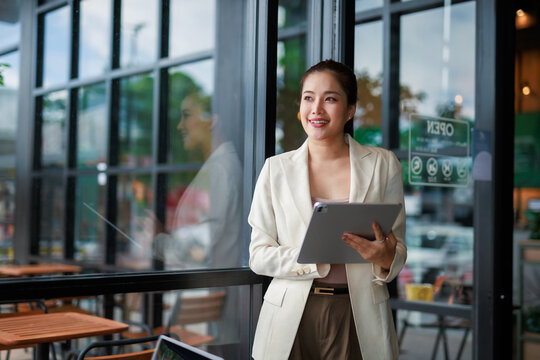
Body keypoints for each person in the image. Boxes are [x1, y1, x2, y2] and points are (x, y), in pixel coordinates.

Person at [248, 59, 406, 360]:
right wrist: (312, 256)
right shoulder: (275, 169)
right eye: (309, 98)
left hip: (357, 315)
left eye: (330, 98)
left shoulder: (383, 164)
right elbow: (258, 255)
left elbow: (397, 245)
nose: (316, 109)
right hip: (290, 315)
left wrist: (385, 258)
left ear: (350, 109)